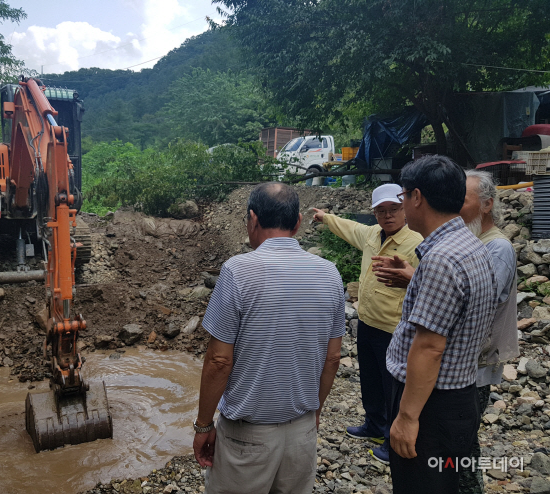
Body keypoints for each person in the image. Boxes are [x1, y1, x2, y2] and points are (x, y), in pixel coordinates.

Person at [193, 182, 346, 494]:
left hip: (247, 438)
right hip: (302, 431)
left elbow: (220, 361)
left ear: (252, 219)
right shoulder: (330, 273)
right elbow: (332, 358)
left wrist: (204, 425)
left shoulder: (238, 271)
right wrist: (314, 414)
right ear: (298, 222)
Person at [374, 169, 518, 494]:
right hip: (458, 394)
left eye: (403, 197)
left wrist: (408, 417)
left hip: (431, 405)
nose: (402, 205)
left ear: (417, 198)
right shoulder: (471, 244)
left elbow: (429, 348)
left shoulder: (441, 258)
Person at [311, 183, 422, 464]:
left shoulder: (417, 243)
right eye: (381, 211)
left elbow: (430, 283)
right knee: (370, 380)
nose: (388, 216)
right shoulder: (372, 235)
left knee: (392, 386)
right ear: (374, 213)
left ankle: (391, 438)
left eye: (394, 209)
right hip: (367, 323)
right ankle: (374, 425)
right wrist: (325, 218)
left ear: (404, 209)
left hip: (394, 328)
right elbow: (349, 227)